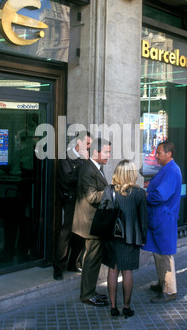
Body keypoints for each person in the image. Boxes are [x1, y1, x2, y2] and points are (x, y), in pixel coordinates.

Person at [102, 160, 147, 318]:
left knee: (112, 271)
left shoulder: (109, 190)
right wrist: (143, 238)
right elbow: (143, 219)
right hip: (131, 237)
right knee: (127, 272)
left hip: (112, 237)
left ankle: (113, 307)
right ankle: (126, 307)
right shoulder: (140, 193)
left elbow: (103, 211)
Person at [72, 137, 111, 306]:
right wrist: (112, 190)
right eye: (107, 152)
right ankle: (87, 294)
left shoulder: (96, 167)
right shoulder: (89, 169)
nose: (109, 155)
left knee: (93, 260)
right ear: (96, 152)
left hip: (95, 223)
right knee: (92, 261)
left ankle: (90, 291)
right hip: (90, 223)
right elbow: (92, 197)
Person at [142, 141, 182, 303]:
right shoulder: (168, 169)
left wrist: (146, 196)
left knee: (165, 255)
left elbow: (160, 195)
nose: (156, 156)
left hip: (163, 219)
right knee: (159, 254)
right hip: (159, 219)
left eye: (159, 153)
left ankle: (169, 291)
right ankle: (162, 284)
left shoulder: (172, 171)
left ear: (169, 154)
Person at [53, 130, 93, 280]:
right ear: (79, 142)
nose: (89, 146)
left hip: (84, 199)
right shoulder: (66, 157)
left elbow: (93, 175)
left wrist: (88, 162)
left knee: (82, 232)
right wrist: (85, 169)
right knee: (67, 231)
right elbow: (69, 179)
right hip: (71, 199)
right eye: (87, 143)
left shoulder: (85, 159)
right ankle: (58, 266)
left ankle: (73, 262)